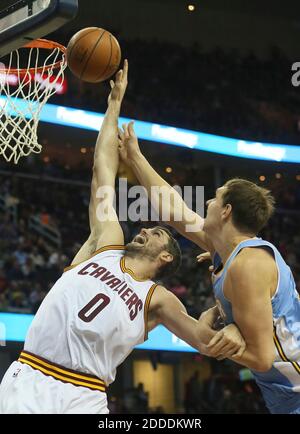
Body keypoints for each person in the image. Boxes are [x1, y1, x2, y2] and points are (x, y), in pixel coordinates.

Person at [0, 61, 245, 414]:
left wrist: (225, 316)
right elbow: (102, 172)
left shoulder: (158, 299)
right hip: (32, 375)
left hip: (85, 395)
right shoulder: (108, 243)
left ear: (167, 258)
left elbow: (206, 343)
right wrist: (113, 104)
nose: (144, 228)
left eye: (156, 232)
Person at [118, 121, 300, 414]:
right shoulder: (226, 252)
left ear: (226, 211)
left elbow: (262, 357)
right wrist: (135, 156)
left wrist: (210, 335)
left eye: (216, 197)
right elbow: (174, 209)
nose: (209, 201)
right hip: (283, 396)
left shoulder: (247, 264)